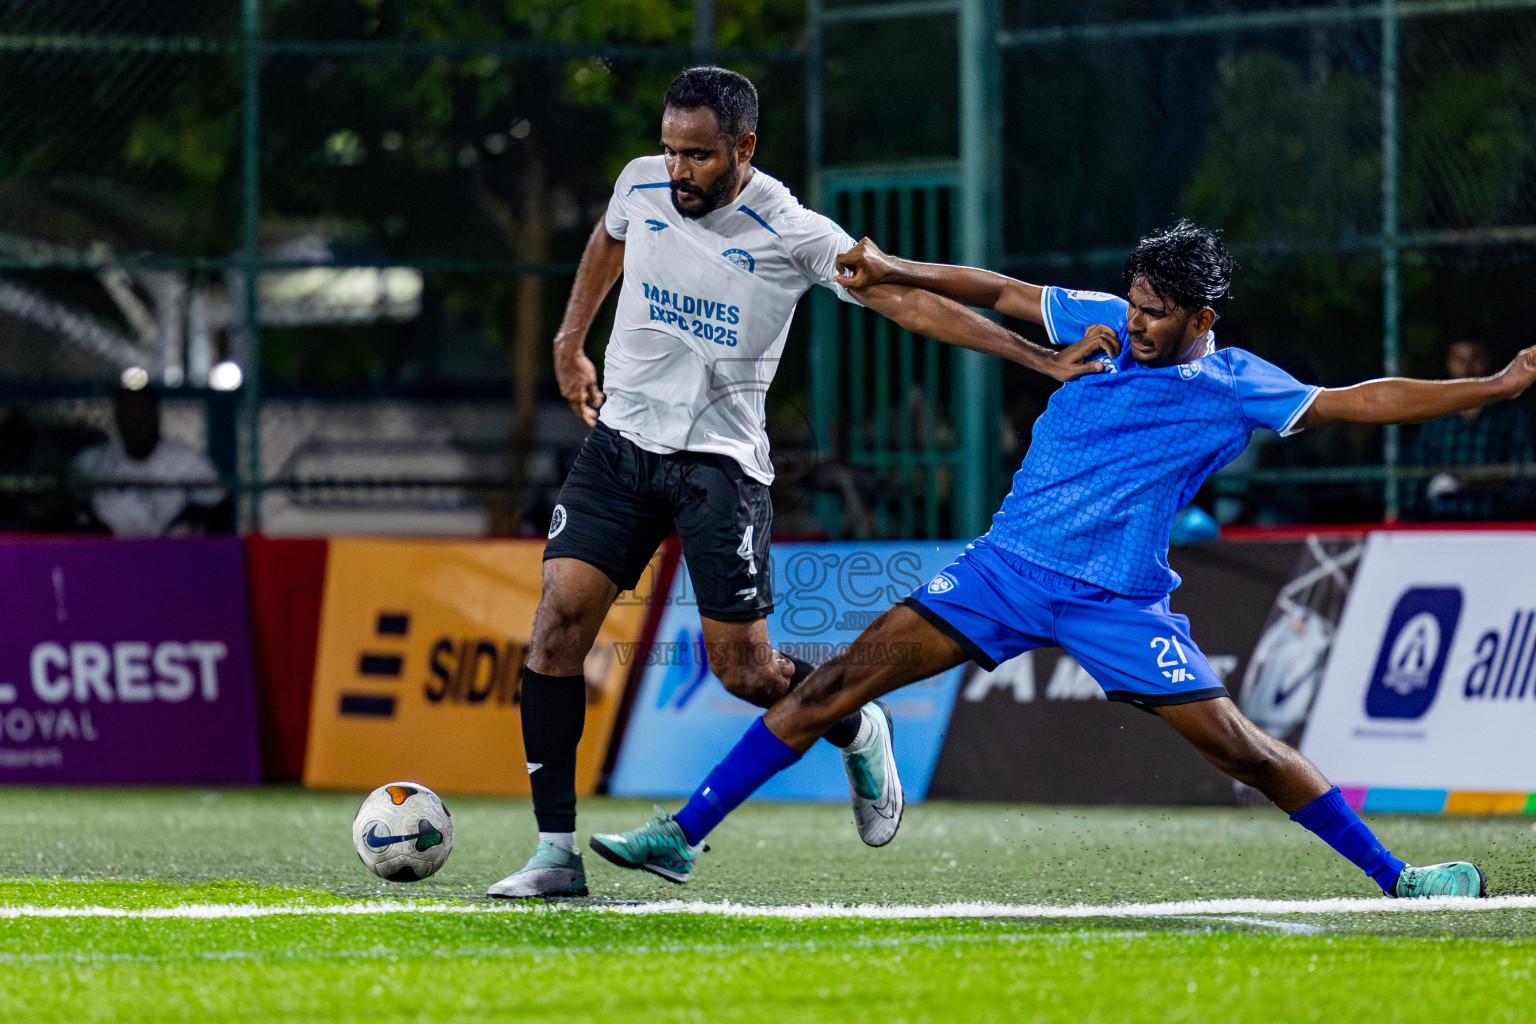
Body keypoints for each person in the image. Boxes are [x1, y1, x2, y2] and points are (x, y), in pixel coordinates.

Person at [591, 220, 1536, 899]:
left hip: (1116, 602)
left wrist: (1491, 390)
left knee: (1240, 751)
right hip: (1003, 571)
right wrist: (890, 264)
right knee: (832, 686)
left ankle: (1402, 877)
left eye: (1158, 312)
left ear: (1204, 318)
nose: (1137, 322)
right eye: (1134, 301)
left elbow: (1363, 399)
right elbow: (1001, 292)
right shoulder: (1102, 323)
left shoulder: (1237, 384)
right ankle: (682, 835)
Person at [489, 66, 1110, 898]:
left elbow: (906, 304)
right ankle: (554, 856)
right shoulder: (641, 180)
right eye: (672, 151)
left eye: (700, 156)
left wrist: (1035, 358)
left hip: (719, 468)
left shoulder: (792, 229)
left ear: (744, 148)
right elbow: (609, 237)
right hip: (621, 449)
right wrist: (571, 339)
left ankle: (857, 726)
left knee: (745, 674)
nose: (679, 171)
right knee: (556, 630)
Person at [70, 384, 229, 537]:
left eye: (141, 414)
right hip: (112, 555)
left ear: (156, 415)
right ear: (118, 419)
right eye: (127, 415)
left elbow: (219, 506)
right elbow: (73, 511)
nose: (134, 423)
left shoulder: (188, 460)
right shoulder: (94, 462)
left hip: (177, 554)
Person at [1406, 335, 1536, 521]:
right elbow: (1415, 479)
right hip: (1439, 530)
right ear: (1448, 362)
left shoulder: (1511, 418)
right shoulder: (1433, 418)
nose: (1466, 368)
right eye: (1459, 359)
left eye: (1475, 358)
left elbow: (1524, 479)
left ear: (1488, 360)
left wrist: (1469, 482)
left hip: (1496, 530)